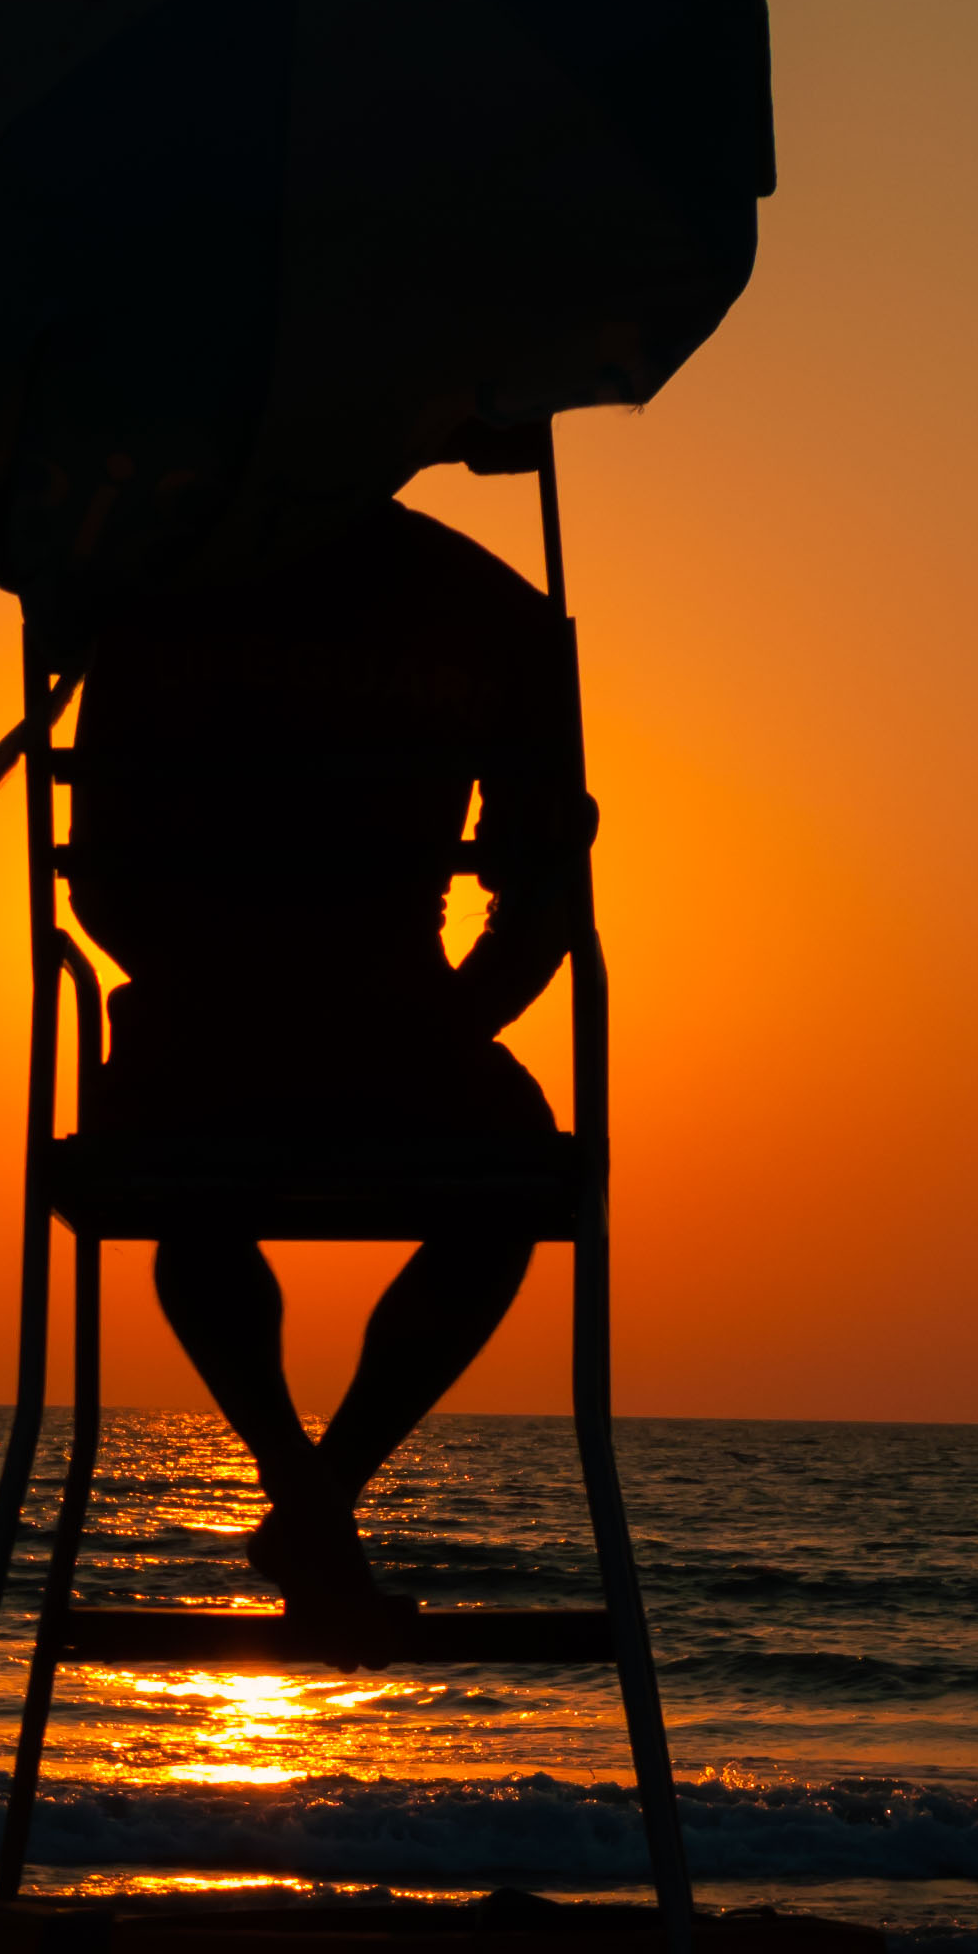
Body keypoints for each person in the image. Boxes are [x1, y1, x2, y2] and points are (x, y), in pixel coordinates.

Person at [65, 496, 589, 1660]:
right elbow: (545, 891)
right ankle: (318, 1502)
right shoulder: (493, 606)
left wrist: (217, 979)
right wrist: (451, 1017)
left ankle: (303, 1494)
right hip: (393, 1042)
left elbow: (96, 882)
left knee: (184, 1184)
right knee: (512, 1176)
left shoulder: (157, 582)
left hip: (198, 1047)